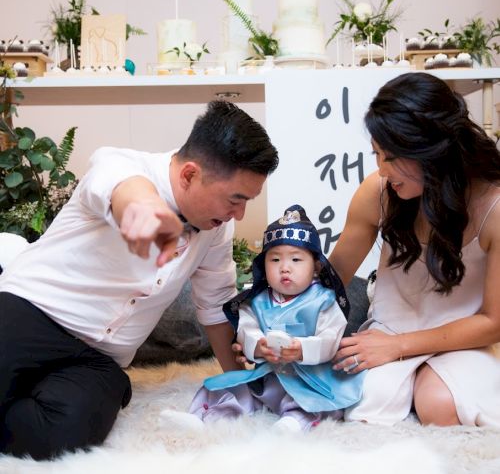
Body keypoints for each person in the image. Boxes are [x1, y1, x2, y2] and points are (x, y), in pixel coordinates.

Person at [0, 100, 279, 460]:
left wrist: (243, 384)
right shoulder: (122, 165)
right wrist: (146, 209)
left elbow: (215, 308)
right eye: (235, 199)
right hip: (31, 313)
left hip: (97, 360)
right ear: (190, 174)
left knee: (66, 432)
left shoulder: (218, 229)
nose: (238, 213)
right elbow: (124, 188)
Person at [328, 72, 500, 427]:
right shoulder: (376, 192)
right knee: (362, 402)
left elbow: (494, 322)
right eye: (377, 154)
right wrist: (275, 321)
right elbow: (331, 279)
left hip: (463, 338)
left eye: (391, 157)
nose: (382, 169)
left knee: (437, 404)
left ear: (431, 150)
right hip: (388, 328)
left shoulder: (493, 207)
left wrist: (400, 347)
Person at [159, 204, 364, 433]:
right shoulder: (257, 301)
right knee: (232, 387)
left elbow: (330, 339)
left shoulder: (324, 300)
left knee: (313, 404)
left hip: (309, 379)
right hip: (268, 376)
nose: (285, 268)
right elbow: (246, 329)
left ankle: (293, 423)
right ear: (263, 265)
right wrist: (259, 346)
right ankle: (205, 417)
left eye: (296, 260)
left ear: (316, 266)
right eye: (275, 260)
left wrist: (301, 349)